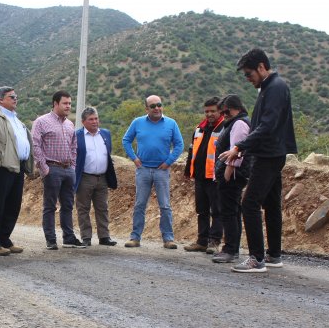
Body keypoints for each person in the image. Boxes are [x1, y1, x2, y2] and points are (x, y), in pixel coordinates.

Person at [219, 48, 297, 273]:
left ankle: (256, 259)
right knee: (271, 204)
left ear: (262, 67)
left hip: (268, 154)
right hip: (271, 153)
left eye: (249, 74)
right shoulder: (270, 87)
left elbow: (267, 126)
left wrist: (240, 147)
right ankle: (274, 254)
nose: (248, 79)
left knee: (249, 203)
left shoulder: (275, 88)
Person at [122, 95, 184, 249]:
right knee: (140, 205)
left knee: (165, 205)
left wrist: (168, 162)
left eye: (159, 105)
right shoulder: (137, 122)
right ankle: (135, 238)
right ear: (146, 109)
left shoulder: (171, 123)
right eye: (153, 106)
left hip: (161, 171)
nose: (157, 108)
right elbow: (126, 140)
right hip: (142, 170)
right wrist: (134, 159)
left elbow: (179, 144)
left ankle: (168, 239)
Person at [0, 86, 34, 256]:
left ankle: (4, 239)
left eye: (16, 96)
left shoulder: (16, 119)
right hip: (2, 168)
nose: (15, 99)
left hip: (18, 167)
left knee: (12, 206)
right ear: (0, 99)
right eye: (12, 97)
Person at [31, 90, 85, 250]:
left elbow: (74, 147)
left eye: (70, 103)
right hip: (52, 169)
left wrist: (73, 167)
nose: (68, 106)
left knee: (68, 205)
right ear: (55, 104)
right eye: (65, 103)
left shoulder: (70, 124)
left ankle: (68, 238)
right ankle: (51, 239)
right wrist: (44, 168)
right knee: (50, 206)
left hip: (68, 170)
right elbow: (35, 145)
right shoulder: (41, 122)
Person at [211, 95, 251, 263]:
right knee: (232, 212)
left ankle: (230, 250)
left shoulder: (239, 124)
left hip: (233, 175)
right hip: (232, 174)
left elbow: (237, 150)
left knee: (229, 212)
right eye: (223, 111)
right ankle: (232, 248)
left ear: (237, 108)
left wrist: (228, 171)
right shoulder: (235, 122)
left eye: (227, 111)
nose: (225, 114)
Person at [184, 97, 224, 254]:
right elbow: (191, 150)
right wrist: (188, 171)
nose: (209, 114)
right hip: (200, 176)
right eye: (207, 111)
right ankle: (202, 241)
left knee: (217, 211)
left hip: (215, 177)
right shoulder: (199, 128)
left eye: (213, 111)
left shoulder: (224, 128)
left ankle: (214, 242)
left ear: (220, 111)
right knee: (202, 210)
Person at [74, 107, 118, 246]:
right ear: (83, 122)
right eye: (91, 119)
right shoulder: (77, 136)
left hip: (102, 178)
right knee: (83, 208)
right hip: (85, 178)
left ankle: (104, 237)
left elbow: (108, 153)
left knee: (102, 208)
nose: (94, 122)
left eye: (96, 118)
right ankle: (86, 238)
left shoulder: (105, 134)